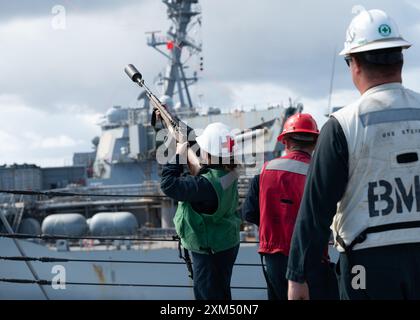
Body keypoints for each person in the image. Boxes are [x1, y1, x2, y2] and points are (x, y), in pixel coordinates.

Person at [287, 9, 420, 300]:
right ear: (401, 58)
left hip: (368, 264)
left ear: (355, 63)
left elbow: (315, 209)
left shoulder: (343, 125)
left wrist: (298, 275)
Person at [242, 113, 338, 300]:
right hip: (311, 258)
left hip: (273, 257)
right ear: (315, 143)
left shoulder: (264, 172)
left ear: (284, 141)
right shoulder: (321, 174)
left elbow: (249, 213)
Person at [160, 122, 241, 300]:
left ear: (207, 152)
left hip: (209, 250)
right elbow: (203, 157)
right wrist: (173, 123)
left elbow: (168, 185)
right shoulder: (230, 172)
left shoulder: (205, 185)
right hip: (225, 243)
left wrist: (178, 155)